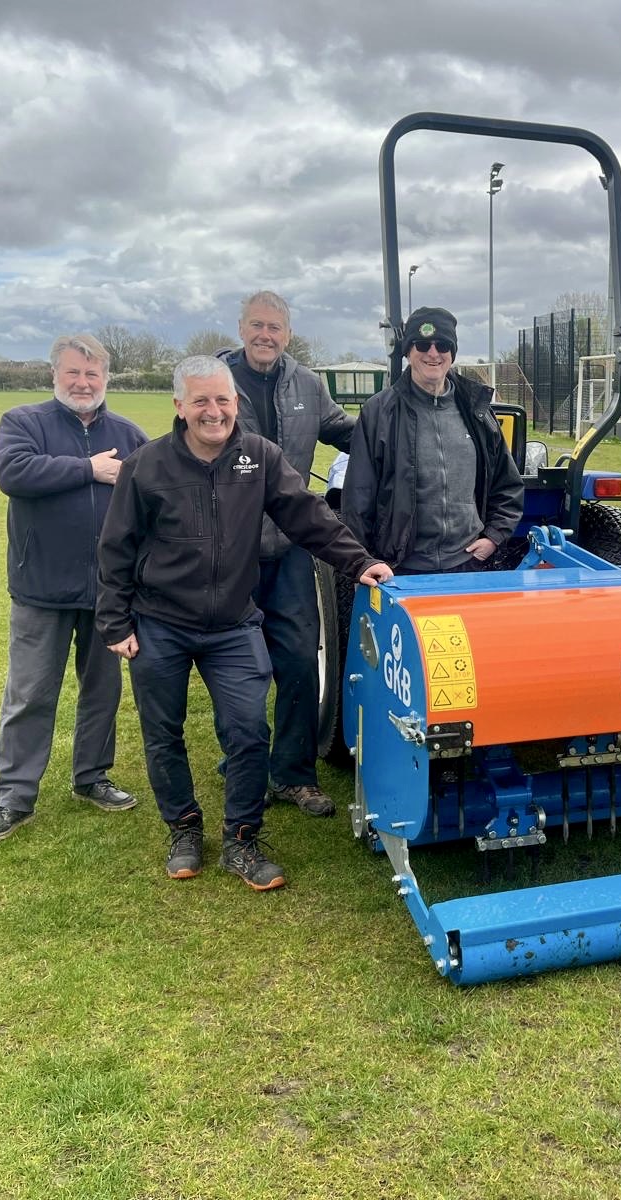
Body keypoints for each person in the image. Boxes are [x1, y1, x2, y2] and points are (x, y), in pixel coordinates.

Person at [96, 356, 392, 892]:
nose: (215, 412)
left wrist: (358, 561)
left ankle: (242, 837)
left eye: (223, 400)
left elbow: (306, 514)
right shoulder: (147, 467)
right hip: (159, 622)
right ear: (180, 407)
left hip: (233, 624)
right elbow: (115, 548)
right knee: (163, 734)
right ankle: (183, 828)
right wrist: (116, 622)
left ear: (236, 403)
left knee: (249, 732)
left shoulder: (258, 457)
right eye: (202, 401)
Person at [0, 334, 148, 844]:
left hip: (108, 592)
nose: (83, 383)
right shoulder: (24, 423)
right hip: (41, 589)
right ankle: (14, 798)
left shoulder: (128, 433)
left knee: (102, 692)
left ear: (106, 379)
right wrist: (89, 469)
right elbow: (13, 472)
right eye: (73, 373)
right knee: (29, 694)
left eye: (92, 375)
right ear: (55, 375)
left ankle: (91, 777)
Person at [214, 291, 355, 817]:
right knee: (234, 664)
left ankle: (294, 774)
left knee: (298, 660)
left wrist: (397, 435)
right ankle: (241, 762)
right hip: (230, 550)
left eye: (274, 327)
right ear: (241, 328)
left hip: (292, 546)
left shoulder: (308, 385)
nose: (265, 335)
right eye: (256, 325)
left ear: (288, 334)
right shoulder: (218, 383)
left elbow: (347, 433)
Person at [341, 306, 523, 573]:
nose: (433, 353)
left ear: (452, 352)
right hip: (401, 568)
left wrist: (494, 537)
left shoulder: (478, 411)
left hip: (467, 564)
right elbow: (359, 496)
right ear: (408, 351)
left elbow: (506, 484)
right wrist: (362, 563)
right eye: (423, 344)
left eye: (443, 345)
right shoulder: (379, 412)